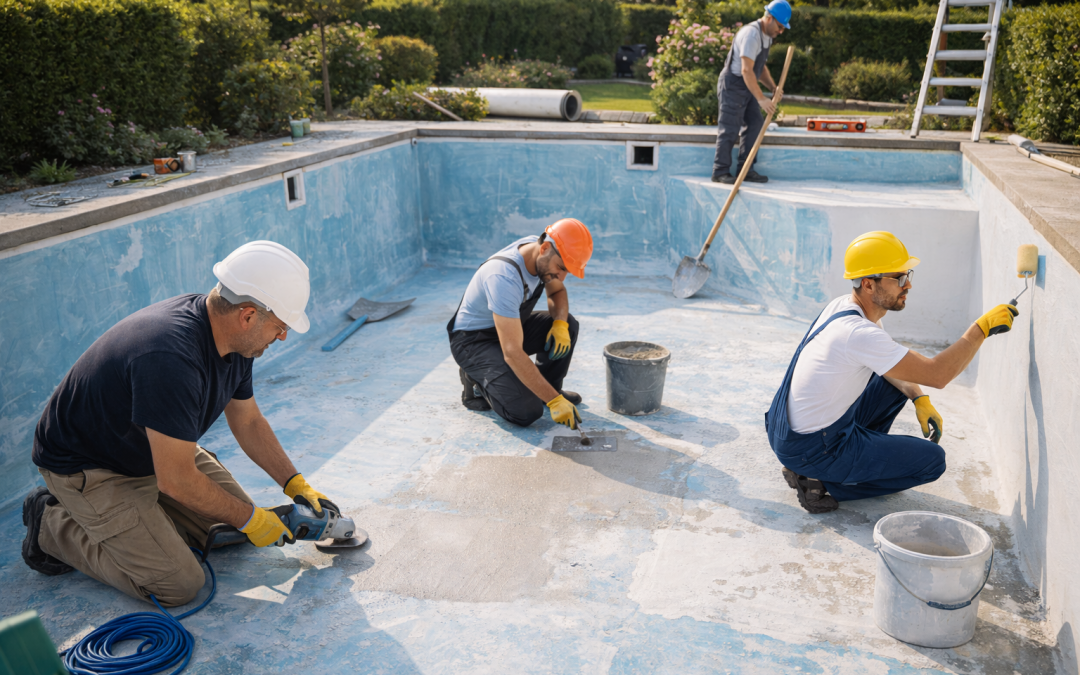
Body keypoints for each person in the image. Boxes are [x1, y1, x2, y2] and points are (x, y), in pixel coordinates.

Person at [22, 241, 337, 606]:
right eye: (280, 327)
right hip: (92, 468)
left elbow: (248, 421)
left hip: (156, 449)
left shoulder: (234, 339)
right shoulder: (169, 356)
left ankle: (150, 519)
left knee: (230, 531)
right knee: (181, 584)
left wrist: (294, 484)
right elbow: (176, 478)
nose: (282, 336)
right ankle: (50, 522)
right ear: (248, 315)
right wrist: (253, 518)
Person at [765, 231, 1020, 513]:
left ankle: (832, 465)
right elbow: (938, 374)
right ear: (868, 285)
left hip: (790, 432)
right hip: (812, 447)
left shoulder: (846, 307)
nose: (908, 284)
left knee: (897, 381)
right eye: (898, 279)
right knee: (932, 461)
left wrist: (918, 398)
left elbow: (897, 368)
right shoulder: (857, 333)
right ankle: (820, 484)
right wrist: (980, 330)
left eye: (907, 274)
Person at [448, 218, 594, 429]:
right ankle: (475, 377)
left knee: (568, 324)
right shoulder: (504, 276)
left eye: (566, 271)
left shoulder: (540, 253)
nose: (561, 277)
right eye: (561, 268)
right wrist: (556, 402)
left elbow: (558, 291)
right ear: (544, 248)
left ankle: (549, 390)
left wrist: (560, 324)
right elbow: (513, 352)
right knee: (526, 411)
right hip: (474, 342)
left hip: (505, 329)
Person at [712, 0, 790, 185]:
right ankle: (720, 171)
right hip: (733, 84)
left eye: (783, 29)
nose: (780, 31)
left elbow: (760, 68)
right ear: (769, 18)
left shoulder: (767, 37)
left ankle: (745, 169)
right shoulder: (751, 35)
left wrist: (772, 87)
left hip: (747, 84)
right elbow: (747, 70)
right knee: (730, 128)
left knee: (755, 123)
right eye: (779, 26)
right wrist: (761, 98)